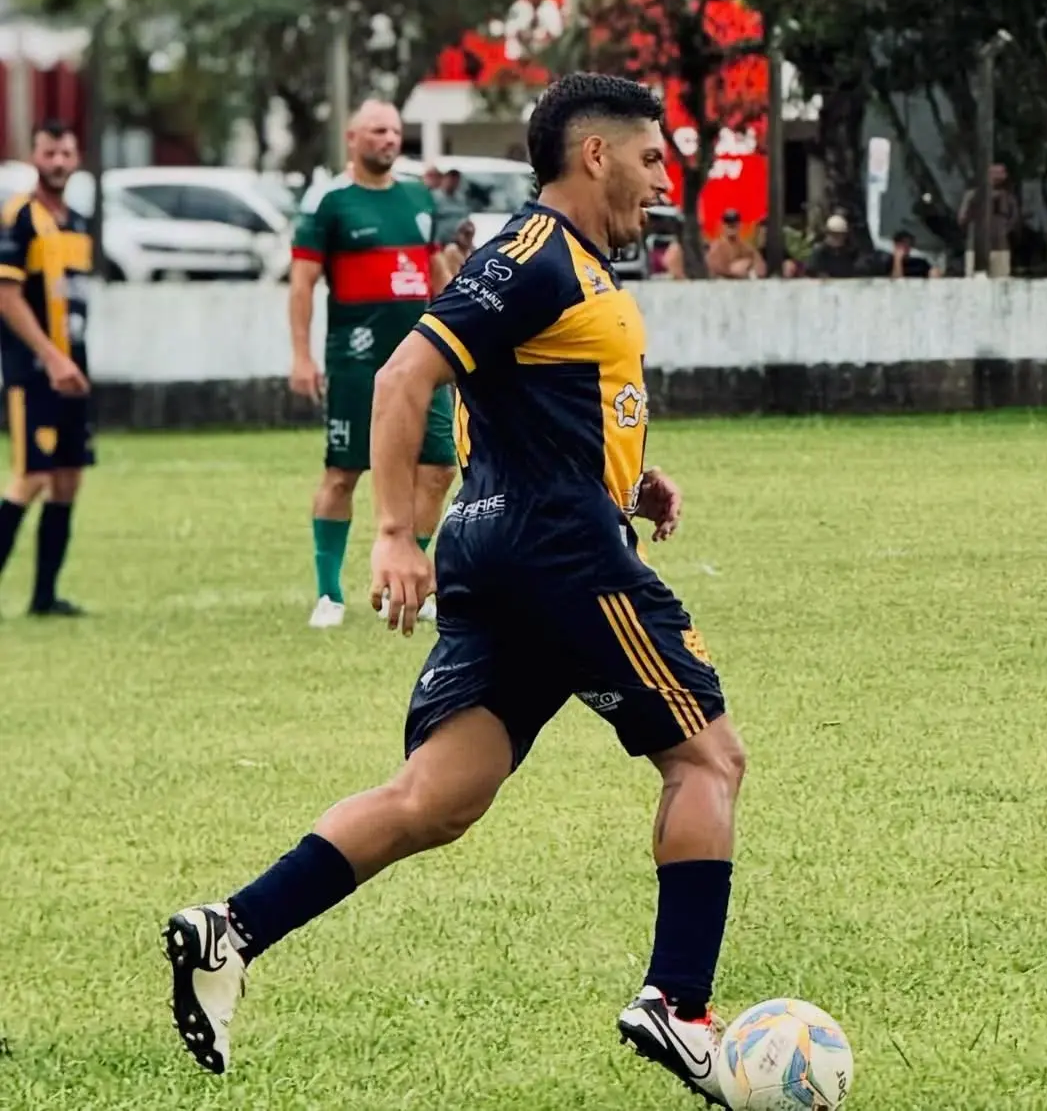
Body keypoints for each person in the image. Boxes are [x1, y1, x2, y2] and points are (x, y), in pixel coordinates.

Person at [164, 74, 746, 1106]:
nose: (664, 179)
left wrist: (632, 474)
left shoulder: (579, 272)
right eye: (653, 158)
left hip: (513, 543)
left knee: (439, 797)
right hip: (559, 551)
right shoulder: (529, 257)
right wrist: (392, 532)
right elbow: (404, 378)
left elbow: (535, 393)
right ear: (597, 156)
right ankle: (678, 1004)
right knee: (706, 755)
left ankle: (231, 930)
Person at [289, 99, 457, 628]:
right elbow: (302, 283)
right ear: (353, 139)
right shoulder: (330, 201)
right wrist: (300, 355)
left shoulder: (416, 196)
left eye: (395, 131)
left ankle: (408, 579)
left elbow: (435, 274)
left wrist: (461, 339)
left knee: (437, 468)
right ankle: (328, 594)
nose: (389, 139)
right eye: (378, 130)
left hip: (422, 357)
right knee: (344, 472)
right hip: (357, 360)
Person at [0, 120, 93, 617]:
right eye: (49, 153)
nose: (58, 162)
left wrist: (75, 361)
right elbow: (6, 296)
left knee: (67, 477)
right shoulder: (18, 217)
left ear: (76, 158)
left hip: (73, 371)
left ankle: (44, 597)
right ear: (34, 156)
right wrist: (51, 356)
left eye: (66, 153)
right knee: (30, 477)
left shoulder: (77, 221)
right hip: (33, 370)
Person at [706, 208, 765, 279]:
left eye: (734, 222)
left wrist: (748, 264)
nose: (731, 225)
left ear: (740, 225)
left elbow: (761, 269)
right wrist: (732, 270)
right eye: (728, 222)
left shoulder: (746, 248)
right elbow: (711, 269)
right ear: (722, 225)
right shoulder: (716, 247)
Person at [806, 213, 860, 278]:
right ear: (827, 233)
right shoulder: (819, 251)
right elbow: (811, 273)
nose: (838, 238)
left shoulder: (851, 251)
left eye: (841, 234)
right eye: (833, 234)